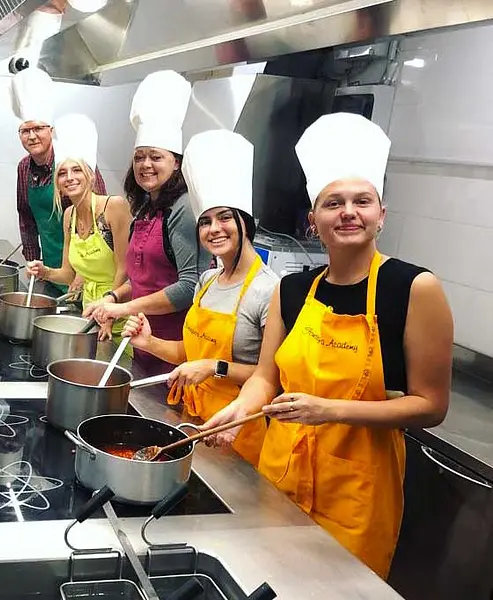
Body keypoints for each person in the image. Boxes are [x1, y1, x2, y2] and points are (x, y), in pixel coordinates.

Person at [201, 113, 453, 579]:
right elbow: (264, 378)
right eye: (332, 202)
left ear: (381, 215)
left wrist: (330, 411)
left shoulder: (414, 288)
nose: (348, 212)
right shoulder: (293, 290)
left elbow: (431, 406)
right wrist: (240, 410)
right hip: (280, 475)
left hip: (357, 492)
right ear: (314, 220)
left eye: (362, 201)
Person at [121, 130, 277, 465]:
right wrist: (149, 343)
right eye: (205, 221)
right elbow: (188, 353)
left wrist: (213, 367)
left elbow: (273, 377)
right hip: (191, 418)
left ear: (245, 223)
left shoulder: (269, 290)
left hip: (236, 430)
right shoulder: (207, 280)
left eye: (225, 217)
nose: (214, 228)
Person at [87, 70, 207, 375]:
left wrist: (125, 308)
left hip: (174, 349)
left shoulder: (182, 208)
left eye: (156, 157)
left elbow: (189, 287)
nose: (145, 165)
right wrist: (113, 297)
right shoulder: (145, 206)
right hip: (142, 340)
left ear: (176, 162)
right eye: (139, 157)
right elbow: (143, 279)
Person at [25, 114, 131, 340]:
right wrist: (44, 271)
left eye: (77, 170)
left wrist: (110, 314)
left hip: (120, 317)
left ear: (91, 176)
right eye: (62, 173)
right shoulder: (69, 215)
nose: (69, 178)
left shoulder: (114, 207)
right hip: (89, 312)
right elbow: (68, 274)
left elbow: (125, 270)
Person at [11, 67, 106, 297]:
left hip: (89, 273)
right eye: (25, 131)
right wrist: (34, 259)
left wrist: (83, 273)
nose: (32, 136)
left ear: (51, 130)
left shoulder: (72, 163)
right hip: (53, 268)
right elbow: (26, 216)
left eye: (38, 129)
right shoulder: (24, 167)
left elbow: (100, 219)